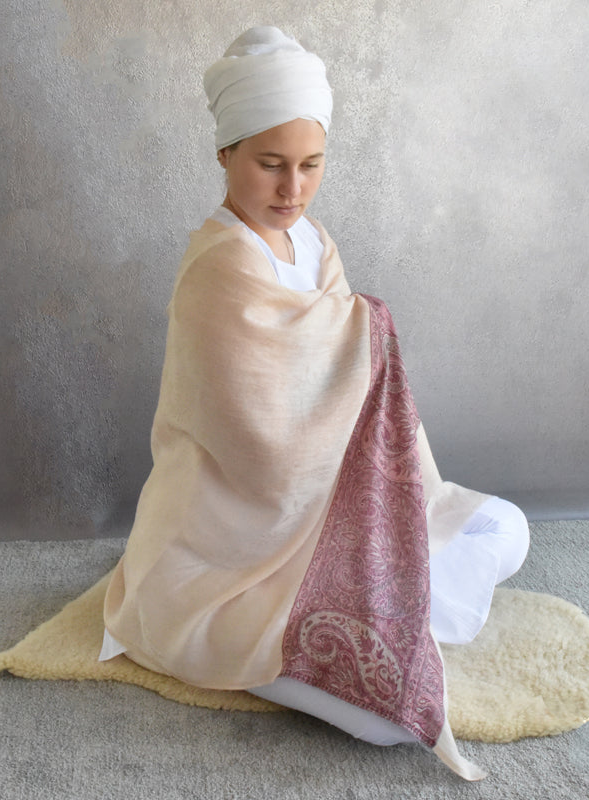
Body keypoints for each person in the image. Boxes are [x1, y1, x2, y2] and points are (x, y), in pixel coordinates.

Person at [100, 26, 529, 781]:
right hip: (236, 549)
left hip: (336, 508)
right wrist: (366, 333)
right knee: (390, 722)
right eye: (269, 165)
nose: (291, 189)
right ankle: (375, 611)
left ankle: (400, 600)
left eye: (310, 165)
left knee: (506, 527)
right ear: (226, 153)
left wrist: (362, 338)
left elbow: (350, 381)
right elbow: (267, 452)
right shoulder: (220, 268)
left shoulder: (316, 243)